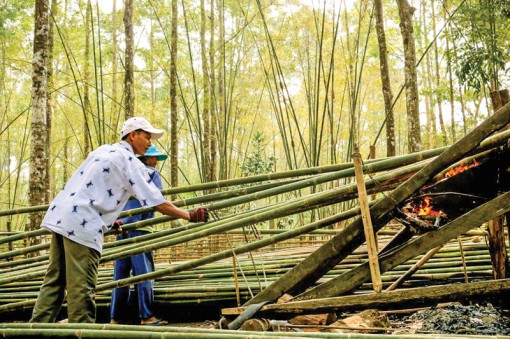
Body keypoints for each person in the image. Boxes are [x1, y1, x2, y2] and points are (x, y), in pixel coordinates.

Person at [29, 117, 209, 324]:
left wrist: (106, 221)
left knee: (54, 281)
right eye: (147, 137)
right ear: (133, 135)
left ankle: (36, 328)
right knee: (81, 285)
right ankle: (82, 331)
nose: (150, 143)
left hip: (63, 216)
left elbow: (89, 189)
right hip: (82, 225)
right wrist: (189, 216)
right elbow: (155, 201)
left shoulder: (103, 151)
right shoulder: (129, 160)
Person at [110, 145, 170, 326]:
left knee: (120, 276)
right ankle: (146, 316)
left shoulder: (127, 173)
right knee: (143, 274)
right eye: (155, 158)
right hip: (141, 229)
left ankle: (116, 317)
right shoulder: (151, 173)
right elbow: (156, 200)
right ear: (147, 159)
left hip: (121, 229)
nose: (157, 162)